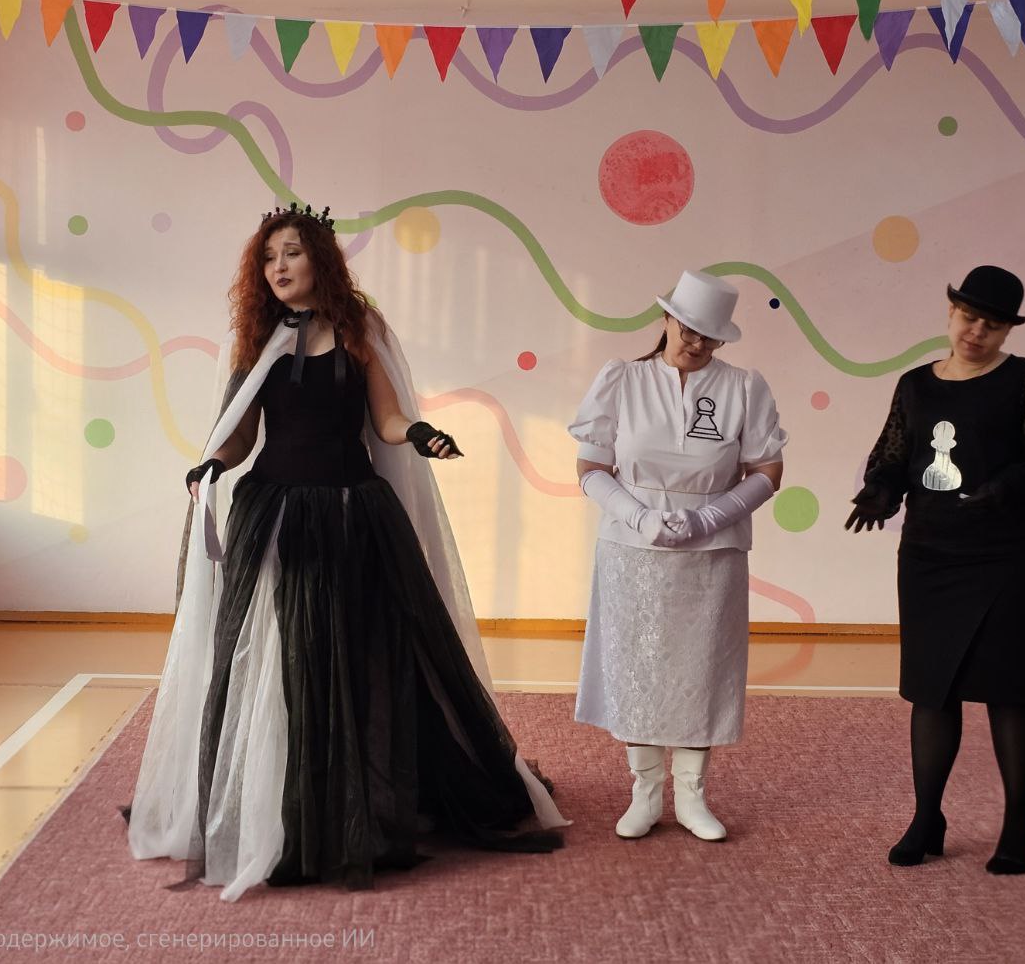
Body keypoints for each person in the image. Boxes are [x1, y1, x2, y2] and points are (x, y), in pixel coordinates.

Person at [127, 202, 566, 901]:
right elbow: (240, 434)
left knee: (358, 658)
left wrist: (416, 434)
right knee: (277, 660)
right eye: (269, 256)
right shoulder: (255, 337)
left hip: (351, 514)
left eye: (292, 252)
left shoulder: (361, 330)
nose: (278, 267)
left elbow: (386, 418)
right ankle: (282, 809)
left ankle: (357, 808)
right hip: (275, 515)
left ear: (321, 260)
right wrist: (211, 463)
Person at [846, 265, 1025, 875]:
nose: (977, 332)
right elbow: (893, 455)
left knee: (1010, 690)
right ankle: (927, 817)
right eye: (969, 317)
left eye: (992, 325)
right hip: (930, 554)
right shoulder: (915, 385)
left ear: (1008, 331)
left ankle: (1019, 819)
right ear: (950, 312)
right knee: (931, 688)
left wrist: (1003, 489)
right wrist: (880, 490)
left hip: (1008, 555)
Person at [569, 270, 786, 841]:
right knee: (637, 667)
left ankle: (692, 795)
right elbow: (591, 467)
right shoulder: (622, 380)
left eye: (709, 335)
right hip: (631, 550)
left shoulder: (743, 388)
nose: (696, 342)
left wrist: (711, 516)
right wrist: (638, 515)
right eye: (688, 329)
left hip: (712, 553)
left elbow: (767, 470)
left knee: (701, 669)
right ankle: (644, 793)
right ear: (666, 319)